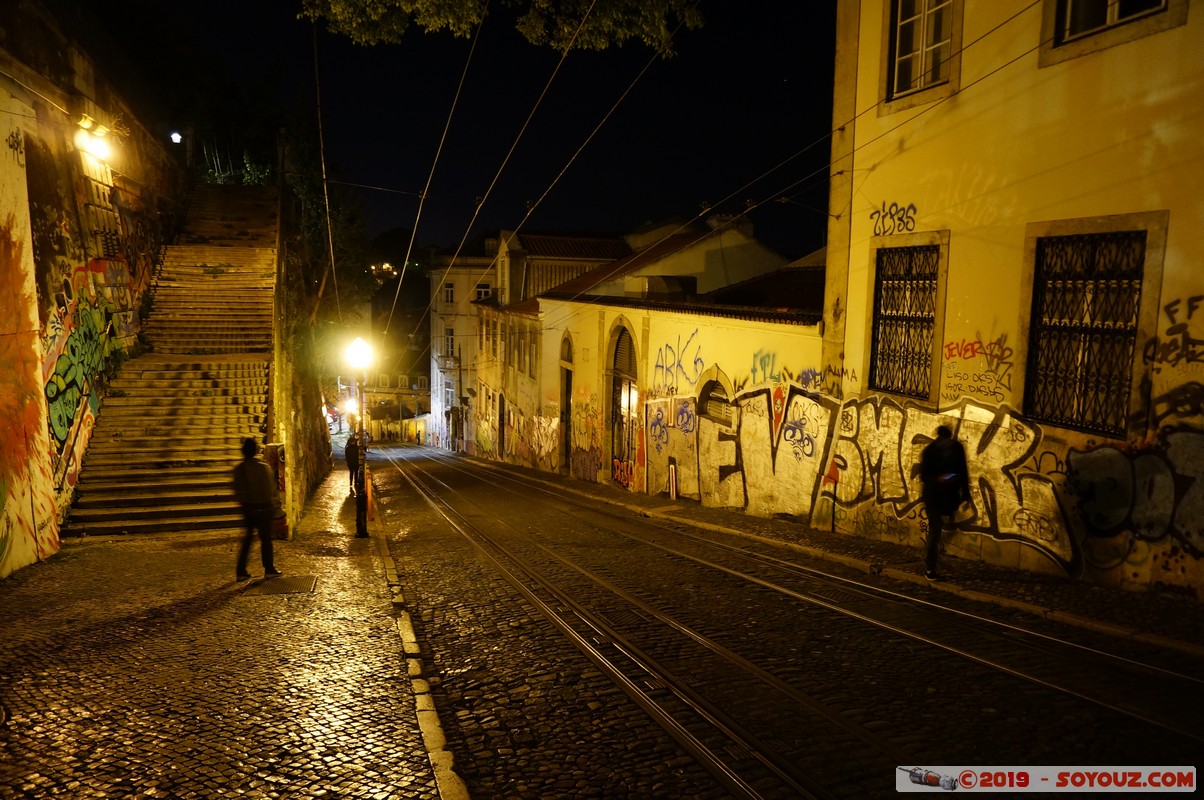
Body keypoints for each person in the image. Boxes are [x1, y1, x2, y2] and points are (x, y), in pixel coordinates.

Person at [918, 424, 970, 580]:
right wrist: (939, 479)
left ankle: (932, 558)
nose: (946, 443)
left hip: (950, 497)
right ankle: (930, 568)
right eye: (943, 440)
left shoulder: (957, 449)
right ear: (939, 438)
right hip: (933, 496)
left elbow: (963, 470)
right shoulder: (930, 452)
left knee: (940, 530)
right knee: (935, 531)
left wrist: (966, 493)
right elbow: (924, 476)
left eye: (948, 440)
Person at [232, 437, 283, 580]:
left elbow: (238, 490)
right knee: (266, 539)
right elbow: (271, 488)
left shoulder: (239, 469)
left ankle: (241, 571)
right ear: (255, 451)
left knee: (247, 539)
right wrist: (275, 507)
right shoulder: (263, 467)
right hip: (264, 507)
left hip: (248, 508)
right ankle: (269, 569)